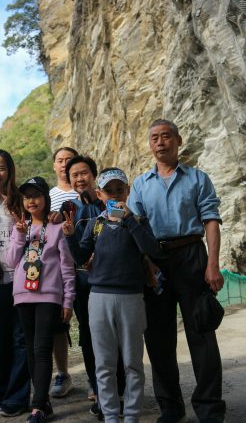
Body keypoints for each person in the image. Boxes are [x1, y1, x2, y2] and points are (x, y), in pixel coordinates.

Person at [127, 119, 226, 423]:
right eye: (154, 138)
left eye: (166, 136)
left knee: (202, 332)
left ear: (178, 141)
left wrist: (212, 264)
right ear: (149, 144)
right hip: (155, 261)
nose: (160, 142)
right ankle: (170, 408)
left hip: (192, 256)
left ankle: (209, 409)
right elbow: (134, 227)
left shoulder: (197, 179)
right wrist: (146, 264)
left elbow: (210, 220)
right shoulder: (141, 184)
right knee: (158, 338)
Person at [63, 167, 162, 423]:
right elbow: (81, 257)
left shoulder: (138, 222)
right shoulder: (96, 224)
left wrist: (129, 219)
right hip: (99, 297)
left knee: (132, 363)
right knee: (104, 364)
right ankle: (110, 416)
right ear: (100, 194)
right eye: (109, 191)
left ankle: (131, 416)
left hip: (131, 297)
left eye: (120, 189)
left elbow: (152, 249)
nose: (115, 195)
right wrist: (70, 236)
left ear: (128, 191)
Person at [60, 156, 126, 418]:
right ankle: (97, 386)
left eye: (84, 173)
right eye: (74, 175)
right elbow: (70, 246)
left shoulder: (110, 203)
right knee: (88, 337)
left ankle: (119, 388)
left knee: (115, 337)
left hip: (111, 282)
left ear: (94, 176)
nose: (79, 179)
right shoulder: (69, 209)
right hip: (82, 284)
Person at [6, 176, 75, 423]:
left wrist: (68, 300)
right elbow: (11, 261)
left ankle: (37, 406)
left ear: (46, 199)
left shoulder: (57, 229)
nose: (31, 200)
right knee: (32, 352)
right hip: (23, 296)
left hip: (48, 295)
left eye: (35, 195)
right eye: (26, 197)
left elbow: (67, 268)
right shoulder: (20, 228)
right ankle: (43, 402)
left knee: (42, 349)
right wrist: (19, 235)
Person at [0, 149, 32, 417]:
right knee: (3, 340)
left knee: (21, 338)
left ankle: (18, 397)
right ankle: (3, 393)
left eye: (1, 168)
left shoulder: (21, 200)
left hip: (24, 279)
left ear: (10, 171)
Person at [47, 147, 78, 399]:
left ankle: (98, 376)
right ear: (54, 166)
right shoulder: (47, 196)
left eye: (69, 160)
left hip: (87, 264)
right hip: (57, 268)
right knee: (59, 324)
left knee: (92, 326)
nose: (64, 164)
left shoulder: (88, 192)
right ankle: (63, 374)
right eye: (60, 160)